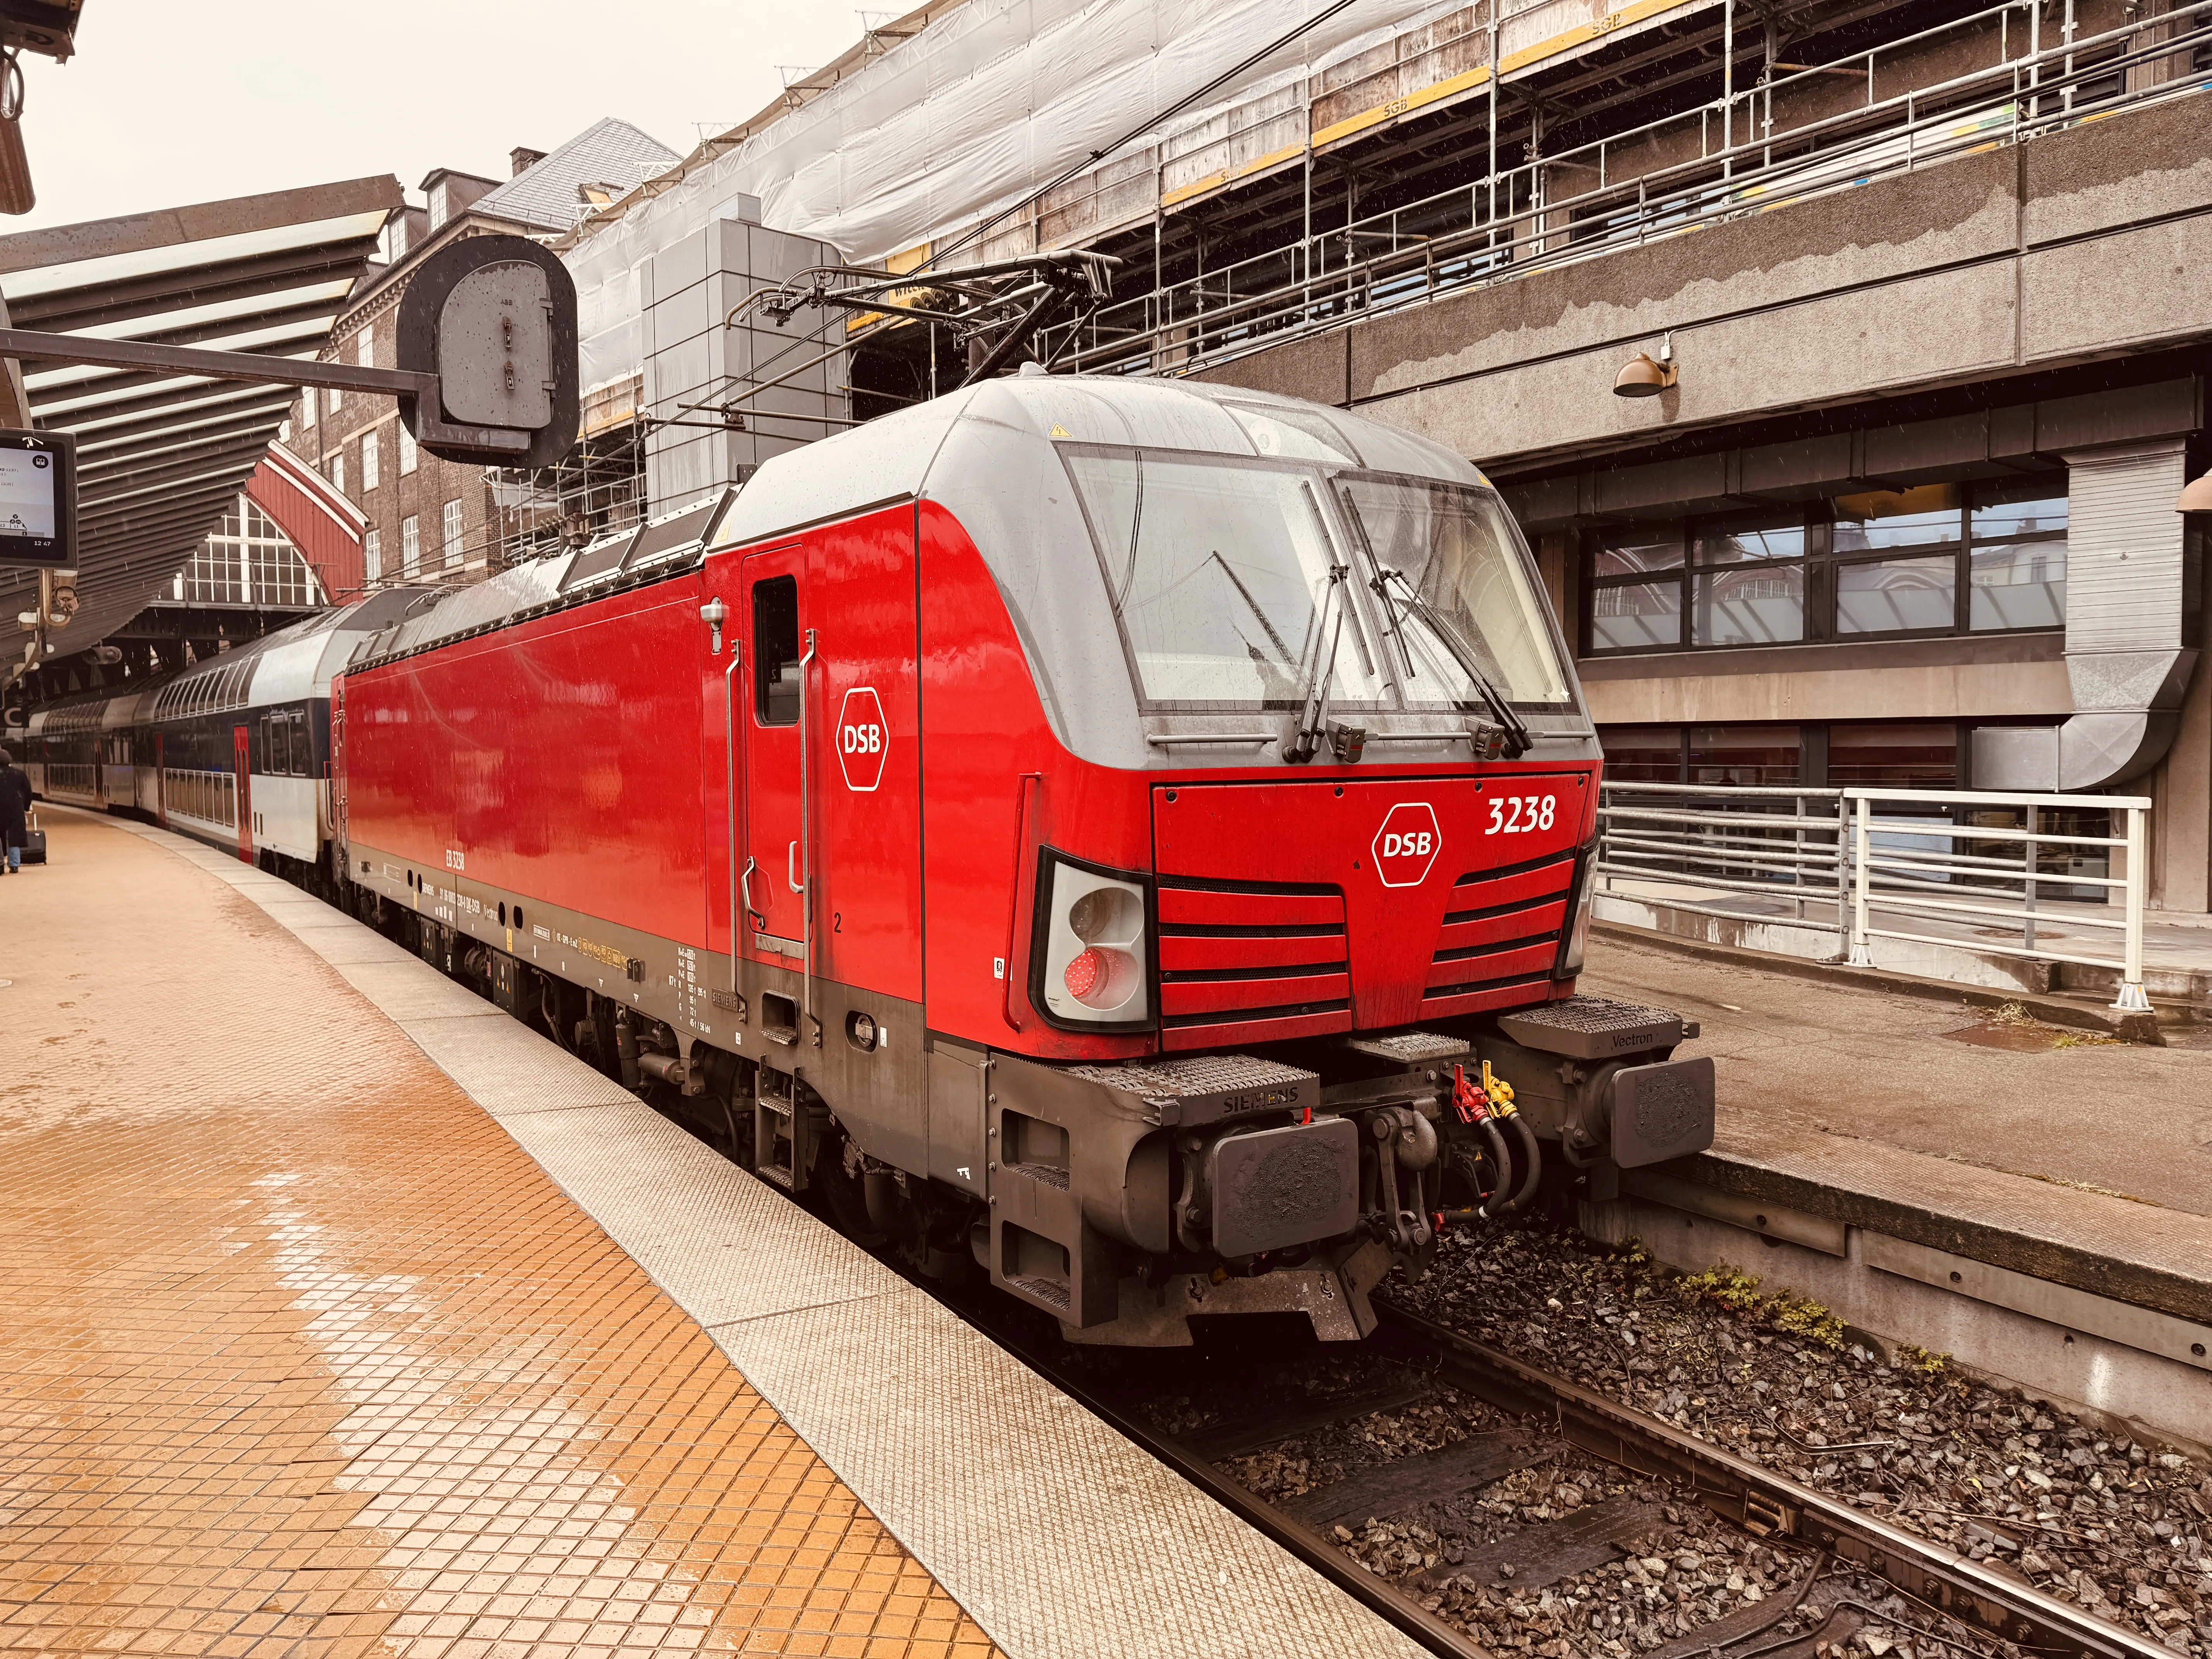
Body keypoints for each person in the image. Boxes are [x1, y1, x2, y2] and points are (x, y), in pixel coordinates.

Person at [0, 745, 28, 874]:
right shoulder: (19, 773)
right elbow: (28, 792)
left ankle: (0, 864)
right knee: (14, 836)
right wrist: (26, 806)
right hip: (15, 808)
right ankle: (14, 865)